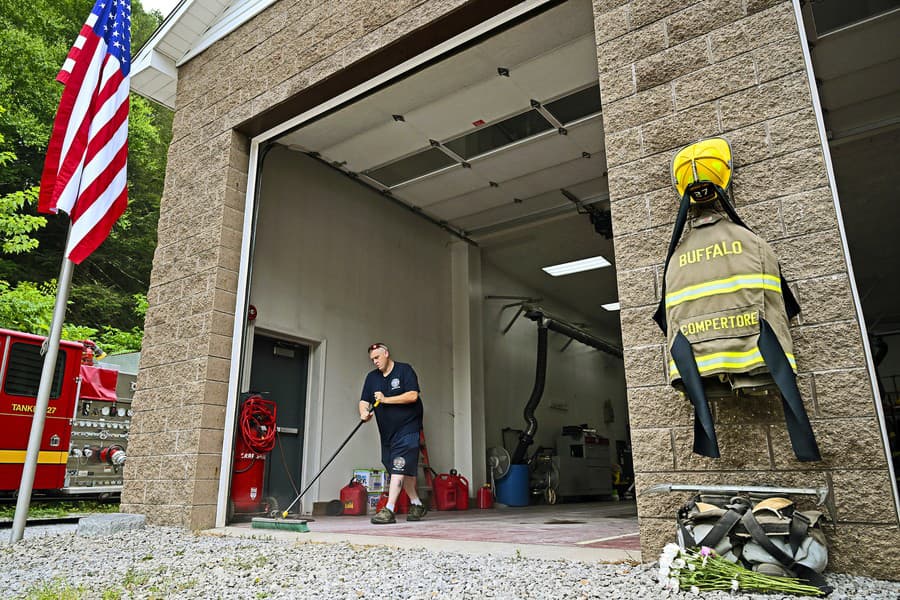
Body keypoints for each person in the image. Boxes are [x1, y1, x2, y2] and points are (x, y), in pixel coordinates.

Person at [360, 342, 427, 524]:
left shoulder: (404, 370)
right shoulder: (372, 378)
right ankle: (417, 503)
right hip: (387, 433)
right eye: (372, 359)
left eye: (377, 357)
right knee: (398, 468)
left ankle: (389, 509)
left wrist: (385, 399)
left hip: (408, 428)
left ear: (387, 353)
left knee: (398, 465)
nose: (375, 362)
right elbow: (364, 400)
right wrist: (364, 413)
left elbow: (413, 395)